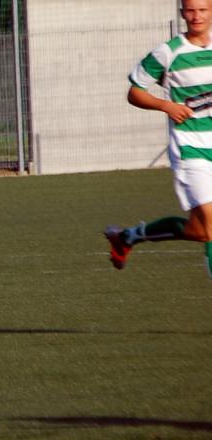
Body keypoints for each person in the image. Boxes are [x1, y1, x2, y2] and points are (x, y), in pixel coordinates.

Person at [105, 0, 212, 277]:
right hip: (191, 150)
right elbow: (135, 91)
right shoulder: (169, 52)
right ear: (182, 13)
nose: (196, 16)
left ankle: (129, 236)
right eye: (190, 10)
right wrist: (167, 106)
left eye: (202, 9)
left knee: (199, 231)